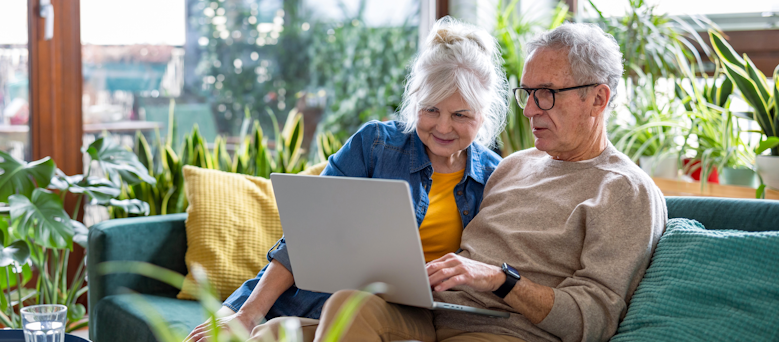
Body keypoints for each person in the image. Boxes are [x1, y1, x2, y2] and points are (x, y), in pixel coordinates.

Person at [313, 22, 668, 342]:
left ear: (598, 99)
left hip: (506, 330)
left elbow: (594, 320)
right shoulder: (512, 167)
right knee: (350, 305)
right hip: (436, 315)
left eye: (546, 93)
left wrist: (502, 280)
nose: (529, 110)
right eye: (527, 93)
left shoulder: (625, 190)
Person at [184, 17, 509, 342]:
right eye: (431, 109)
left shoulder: (496, 177)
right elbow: (305, 235)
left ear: (484, 114)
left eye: (461, 115)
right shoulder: (376, 145)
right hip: (318, 301)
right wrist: (247, 313)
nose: (442, 127)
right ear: (414, 102)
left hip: (411, 317)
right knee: (251, 334)